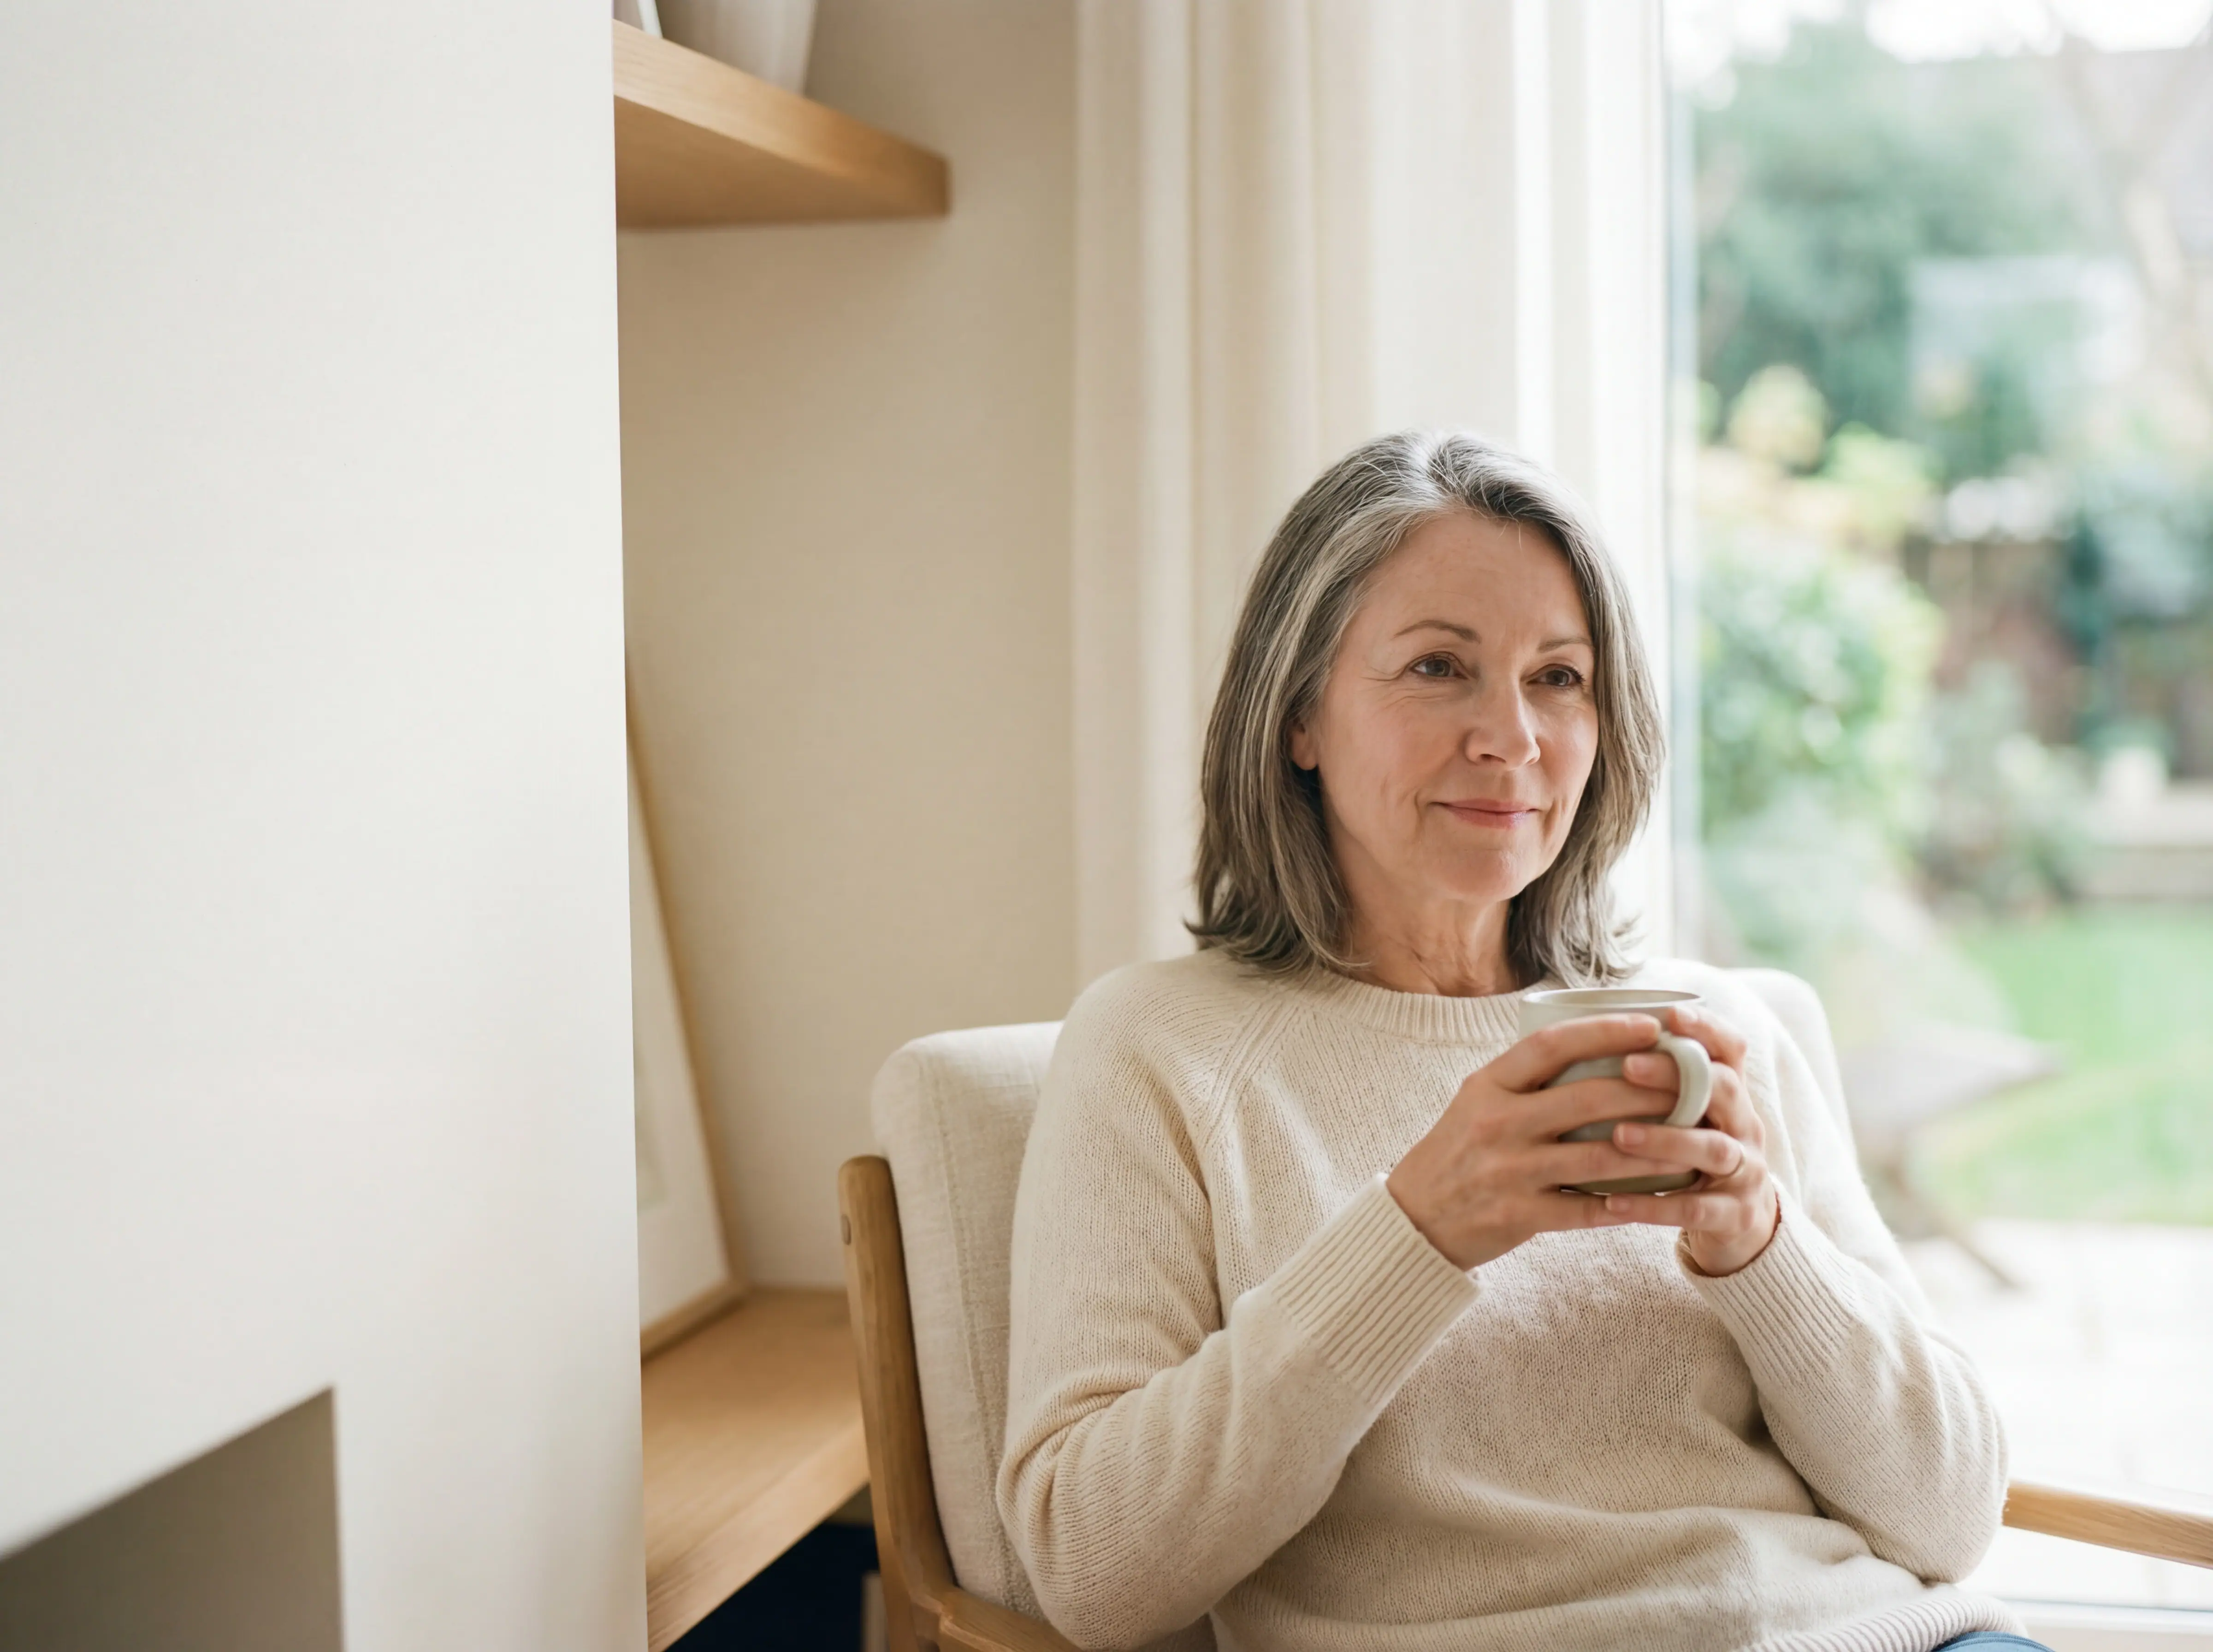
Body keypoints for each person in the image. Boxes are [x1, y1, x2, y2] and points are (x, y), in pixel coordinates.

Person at [997, 432, 2042, 1652]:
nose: (1514, 736)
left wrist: (1763, 1246)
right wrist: (1416, 1233)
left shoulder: (1714, 1031)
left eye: (1559, 676)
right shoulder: (1159, 1050)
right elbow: (1091, 1569)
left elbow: (1952, 1517)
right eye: (1440, 666)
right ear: (1298, 719)